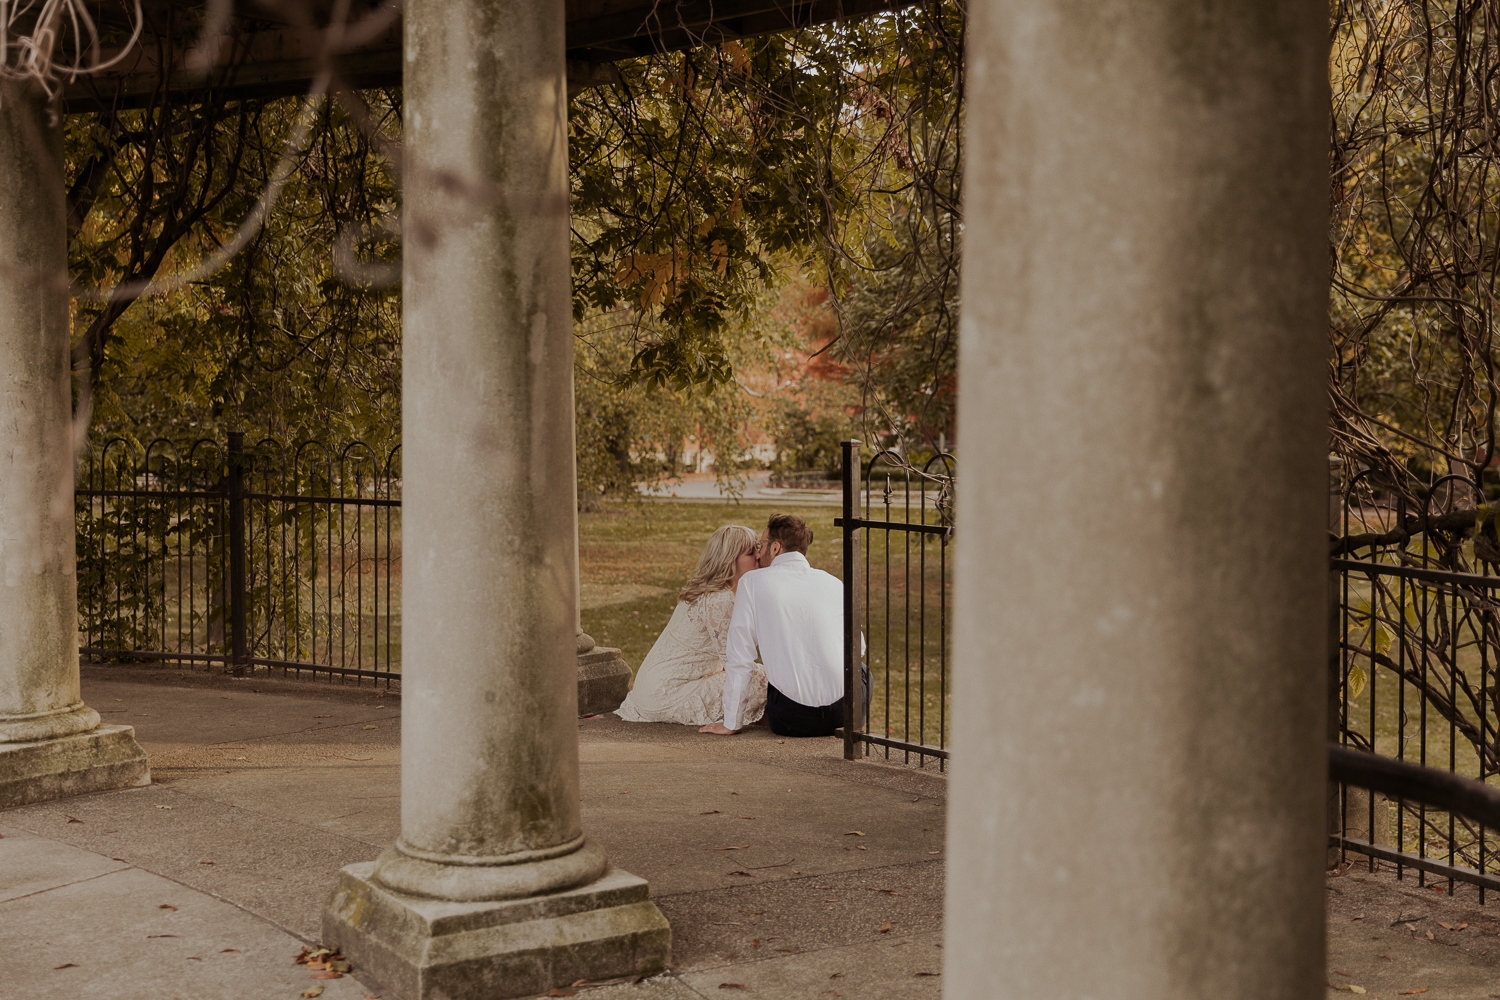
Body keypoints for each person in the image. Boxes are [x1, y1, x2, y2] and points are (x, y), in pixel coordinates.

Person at [700, 513, 868, 738]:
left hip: (792, 720)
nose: (758, 554)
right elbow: (860, 647)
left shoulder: (752, 583)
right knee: (863, 671)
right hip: (845, 715)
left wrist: (731, 722)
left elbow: (740, 659)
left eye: (761, 545)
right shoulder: (833, 583)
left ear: (776, 548)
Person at [614, 524, 768, 726]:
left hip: (648, 690)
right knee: (765, 680)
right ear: (729, 561)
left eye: (758, 548)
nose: (758, 556)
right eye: (750, 552)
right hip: (670, 694)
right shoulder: (719, 600)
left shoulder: (705, 591)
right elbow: (736, 662)